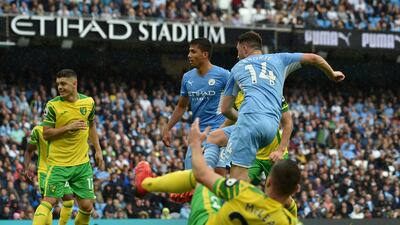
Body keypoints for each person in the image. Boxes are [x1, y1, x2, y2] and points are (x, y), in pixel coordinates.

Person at [221, 31, 345, 181]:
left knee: (235, 181)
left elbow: (225, 109)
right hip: (271, 128)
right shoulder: (279, 58)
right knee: (278, 192)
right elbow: (314, 58)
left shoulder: (237, 69)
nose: (237, 55)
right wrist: (331, 74)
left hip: (252, 128)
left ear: (245, 48)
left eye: (238, 50)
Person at [135, 118, 302, 224]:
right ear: (295, 189)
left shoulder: (244, 192)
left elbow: (201, 173)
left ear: (269, 181)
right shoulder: (287, 221)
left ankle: (146, 184)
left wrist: (194, 144)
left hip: (204, 221)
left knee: (203, 180)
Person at [32, 69, 104, 225]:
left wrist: (98, 150)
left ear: (74, 83)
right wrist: (67, 127)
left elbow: (91, 125)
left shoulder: (88, 102)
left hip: (82, 164)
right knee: (48, 201)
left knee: (87, 206)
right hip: (59, 164)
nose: (60, 87)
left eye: (63, 83)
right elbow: (46, 134)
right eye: (58, 84)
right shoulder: (52, 106)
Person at [161, 38, 230, 170]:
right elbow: (181, 106)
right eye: (189, 51)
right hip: (197, 135)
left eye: (193, 52)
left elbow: (237, 102)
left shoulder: (224, 75)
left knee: (215, 179)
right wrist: (167, 127)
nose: (189, 55)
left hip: (218, 134)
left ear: (205, 55)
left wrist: (226, 126)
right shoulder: (187, 77)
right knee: (191, 181)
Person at [23, 124, 74, 225]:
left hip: (61, 170)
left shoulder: (65, 127)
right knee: (48, 202)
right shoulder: (38, 130)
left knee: (69, 200)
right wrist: (26, 170)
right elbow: (29, 150)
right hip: (45, 170)